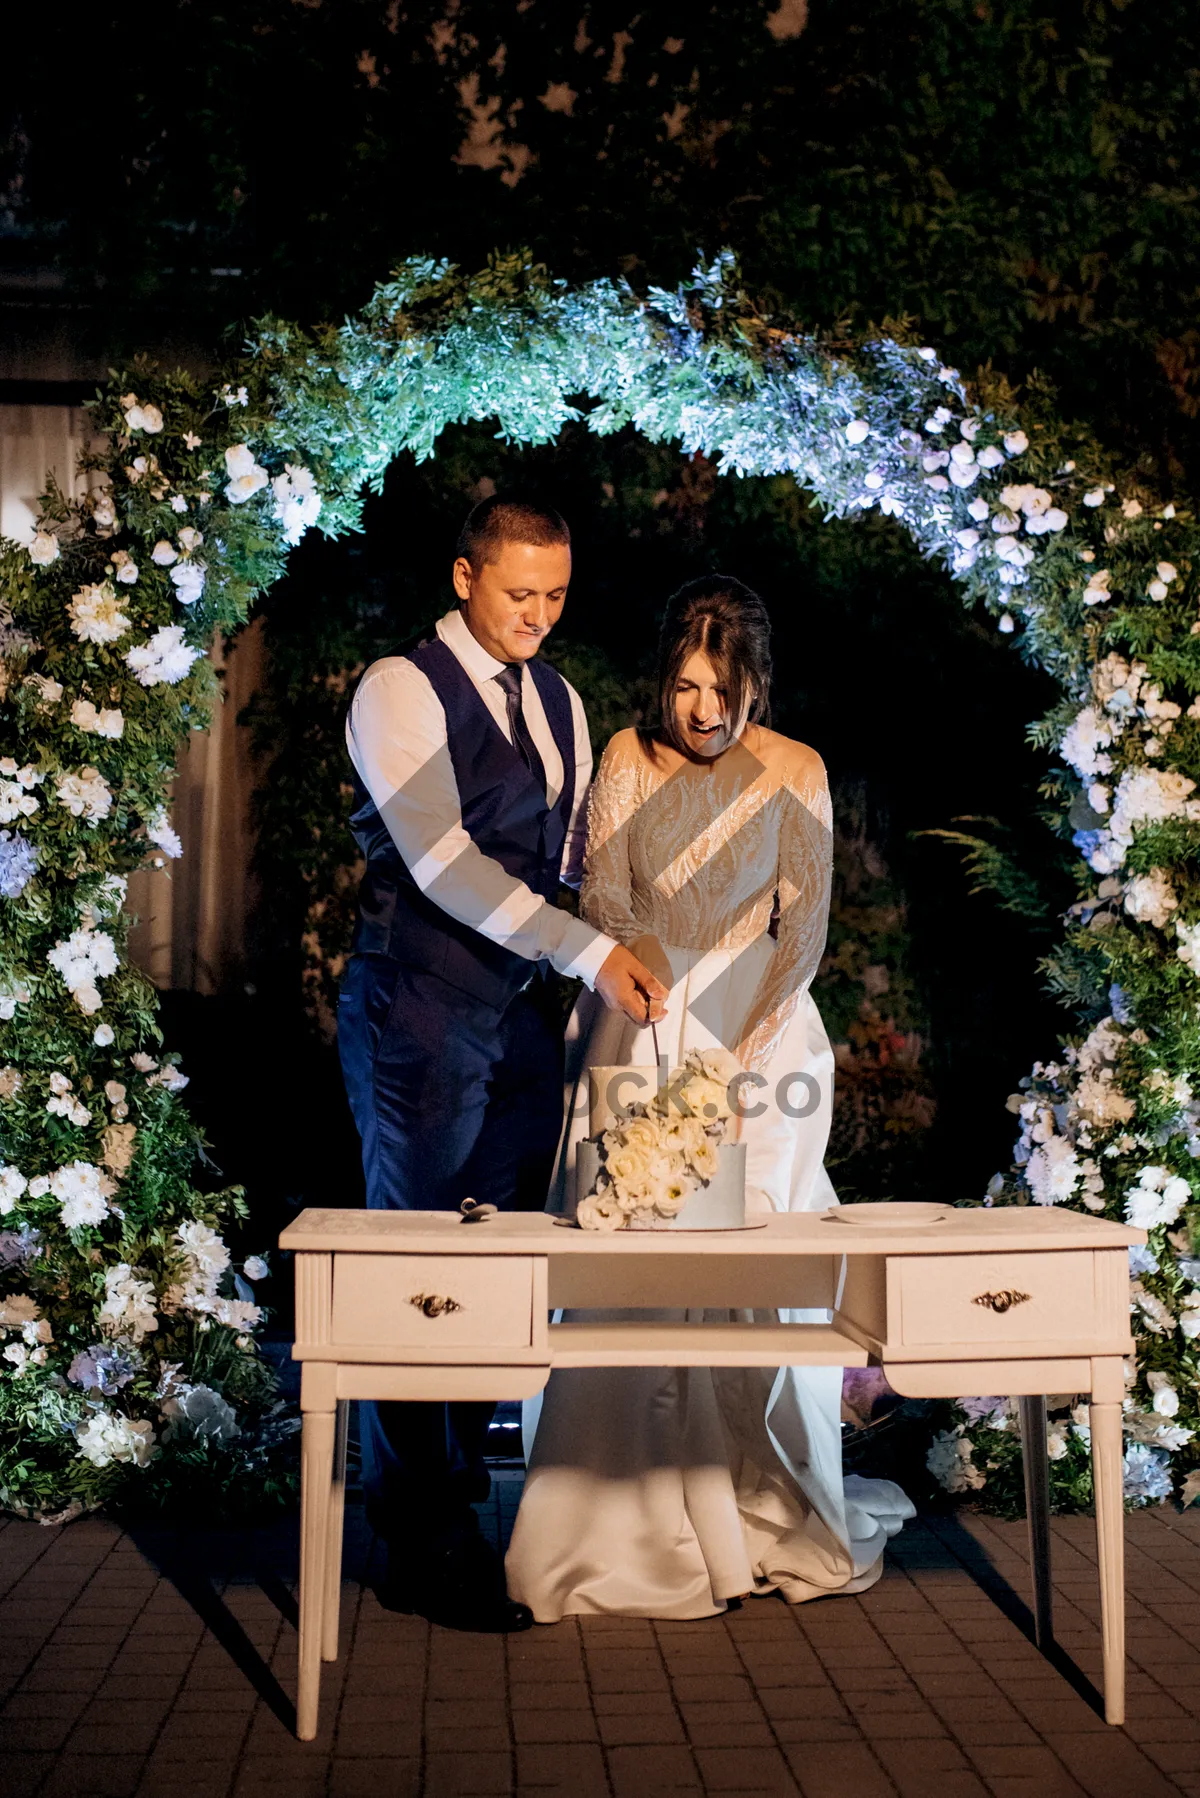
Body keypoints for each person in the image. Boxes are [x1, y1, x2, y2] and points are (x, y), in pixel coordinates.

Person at [506, 575, 914, 1621]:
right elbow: (602, 896)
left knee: (758, 1277)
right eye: (686, 685)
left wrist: (731, 1053)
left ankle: (759, 1499)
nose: (702, 710)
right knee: (624, 1268)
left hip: (765, 1044)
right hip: (635, 1022)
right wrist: (661, 1016)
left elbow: (805, 931)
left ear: (757, 684)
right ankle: (616, 1516)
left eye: (723, 688)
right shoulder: (626, 759)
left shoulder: (798, 770)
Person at [338, 496, 667, 1632]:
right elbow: (442, 862)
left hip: (522, 1021)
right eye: (518, 591)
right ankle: (413, 1528)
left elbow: (569, 860)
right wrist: (587, 950)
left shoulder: (566, 704)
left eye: (556, 595)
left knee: (500, 1258)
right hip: (418, 1004)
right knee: (417, 1261)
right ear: (467, 574)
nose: (538, 614)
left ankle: (463, 1501)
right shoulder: (399, 687)